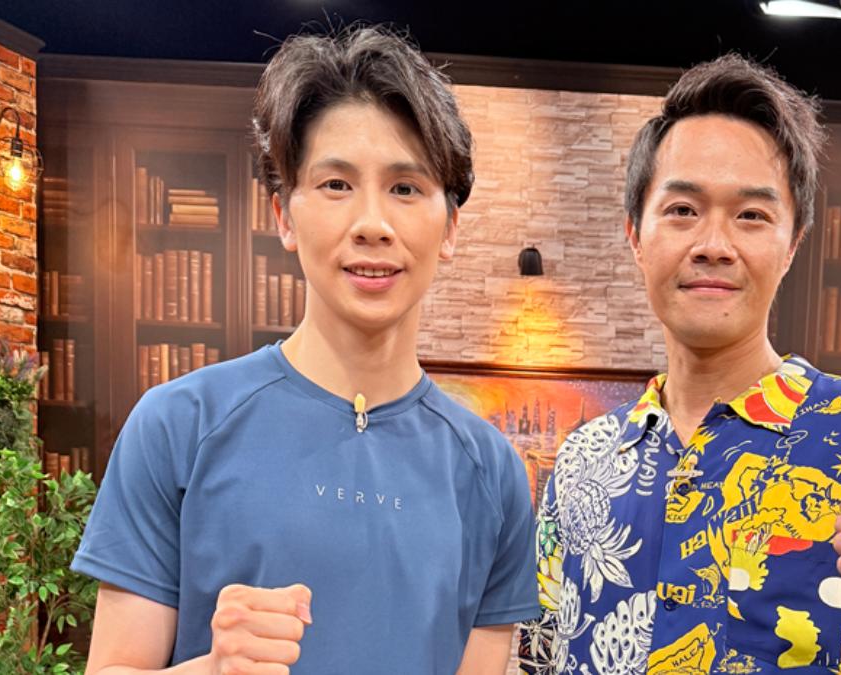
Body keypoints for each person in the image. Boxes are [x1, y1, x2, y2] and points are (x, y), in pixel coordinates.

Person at [74, 26, 538, 674]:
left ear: (451, 226)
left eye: (405, 188)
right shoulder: (177, 426)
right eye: (336, 184)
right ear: (284, 216)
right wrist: (212, 668)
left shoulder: (493, 472)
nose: (372, 224)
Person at [519, 54, 841, 674]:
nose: (714, 245)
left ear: (792, 245)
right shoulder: (583, 459)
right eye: (682, 210)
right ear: (635, 234)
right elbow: (539, 655)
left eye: (751, 216)